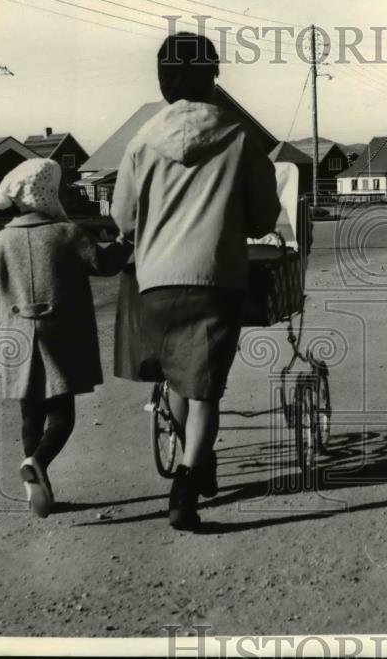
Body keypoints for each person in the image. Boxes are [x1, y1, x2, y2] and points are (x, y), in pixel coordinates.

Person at [111, 32, 280, 530]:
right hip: (216, 278)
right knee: (205, 388)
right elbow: (262, 217)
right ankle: (187, 484)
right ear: (214, 78)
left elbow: (123, 219)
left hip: (155, 282)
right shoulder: (242, 136)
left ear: (163, 81)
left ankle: (195, 463)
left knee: (177, 377)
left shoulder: (141, 139)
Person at [0, 158, 131, 517]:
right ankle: (38, 462)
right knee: (63, 415)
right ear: (47, 195)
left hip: (15, 337)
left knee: (31, 415)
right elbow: (104, 265)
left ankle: (37, 491)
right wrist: (124, 241)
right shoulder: (67, 233)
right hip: (61, 335)